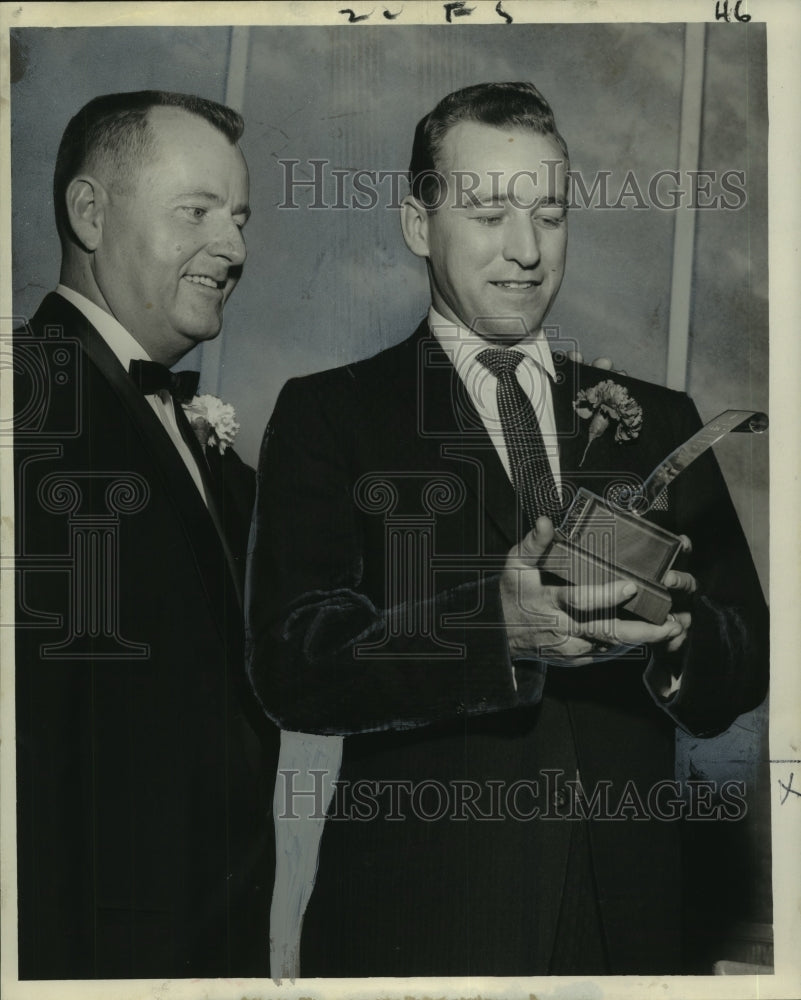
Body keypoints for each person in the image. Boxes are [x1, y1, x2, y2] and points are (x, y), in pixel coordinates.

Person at [246, 82, 768, 976]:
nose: (525, 252)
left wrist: (673, 638)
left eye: (550, 215)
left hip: (632, 923)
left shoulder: (660, 415)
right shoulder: (329, 414)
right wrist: (497, 627)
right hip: (424, 925)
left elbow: (747, 649)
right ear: (418, 224)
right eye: (487, 213)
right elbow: (295, 664)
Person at [13, 91, 278, 979]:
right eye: (196, 211)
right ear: (89, 213)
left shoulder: (220, 465)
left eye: (238, 219)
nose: (234, 248)